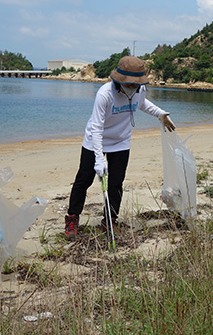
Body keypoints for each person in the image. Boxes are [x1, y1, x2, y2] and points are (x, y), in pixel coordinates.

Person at [65, 56, 176, 239]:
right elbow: (97, 127)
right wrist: (99, 158)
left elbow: (141, 104)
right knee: (84, 180)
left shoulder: (140, 90)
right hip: (95, 140)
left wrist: (160, 114)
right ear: (119, 80)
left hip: (120, 142)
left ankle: (109, 220)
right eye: (130, 84)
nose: (133, 87)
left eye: (136, 84)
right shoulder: (104, 94)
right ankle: (72, 218)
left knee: (116, 183)